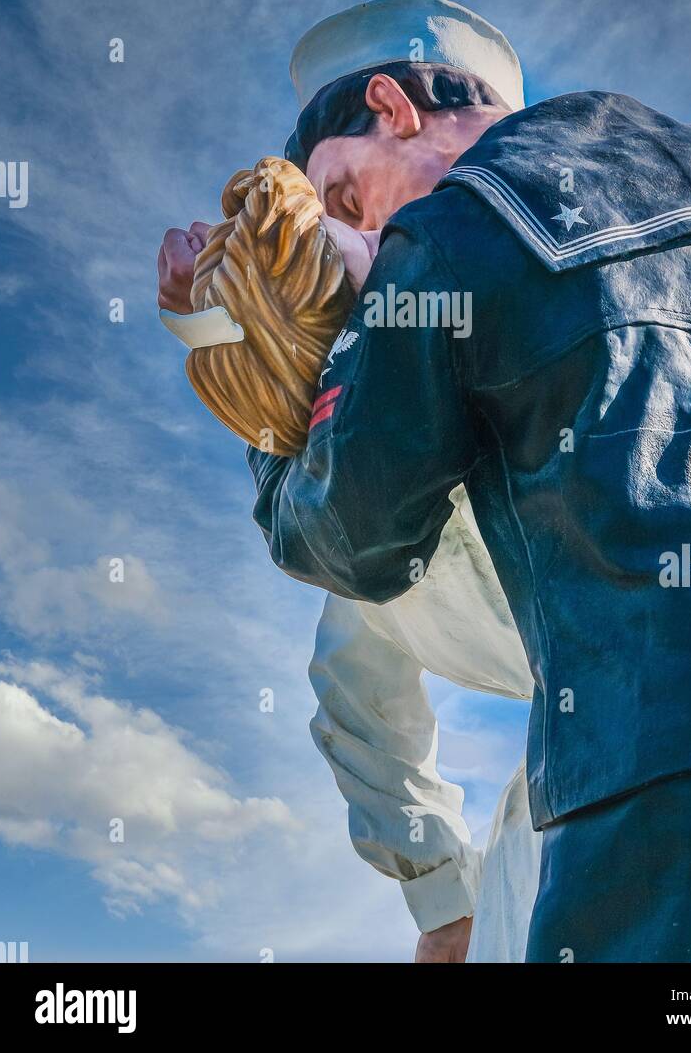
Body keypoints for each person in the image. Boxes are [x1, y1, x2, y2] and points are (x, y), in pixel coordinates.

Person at [159, 0, 691, 962]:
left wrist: (263, 409)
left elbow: (353, 541)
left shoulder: (444, 237)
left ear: (392, 109)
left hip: (652, 759)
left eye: (346, 197)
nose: (353, 235)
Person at [160, 149, 541, 961]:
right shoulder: (515, 344)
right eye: (346, 221)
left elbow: (356, 697)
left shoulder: (354, 534)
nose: (373, 233)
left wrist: (442, 898)